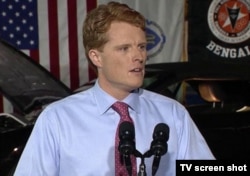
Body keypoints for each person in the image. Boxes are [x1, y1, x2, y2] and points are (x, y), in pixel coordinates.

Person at [14, 1, 215, 176]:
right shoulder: (57, 119)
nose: (139, 56)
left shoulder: (173, 114)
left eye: (142, 47)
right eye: (124, 48)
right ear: (96, 57)